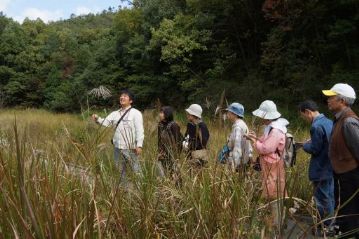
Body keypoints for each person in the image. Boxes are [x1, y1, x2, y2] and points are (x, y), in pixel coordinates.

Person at [322, 83, 359, 238]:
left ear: (342, 101)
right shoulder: (339, 119)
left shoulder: (349, 122)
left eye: (331, 97)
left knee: (351, 212)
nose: (328, 100)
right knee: (344, 209)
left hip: (351, 176)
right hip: (344, 175)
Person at [247, 100, 288, 229]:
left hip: (273, 164)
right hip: (270, 163)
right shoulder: (271, 128)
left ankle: (276, 223)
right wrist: (255, 138)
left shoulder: (276, 130)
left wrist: (253, 141)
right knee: (272, 190)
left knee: (273, 192)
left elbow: (265, 148)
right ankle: (275, 220)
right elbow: (265, 143)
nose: (261, 118)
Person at [92, 89, 144, 185]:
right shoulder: (115, 113)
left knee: (136, 170)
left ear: (131, 101)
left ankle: (141, 190)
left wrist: (139, 145)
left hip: (130, 148)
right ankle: (124, 188)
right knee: (120, 170)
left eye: (125, 96)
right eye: (121, 96)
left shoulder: (136, 113)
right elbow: (106, 123)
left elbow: (139, 130)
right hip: (117, 147)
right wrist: (97, 119)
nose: (122, 97)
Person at [298, 100, 334, 235]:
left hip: (320, 168)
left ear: (308, 112)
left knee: (322, 198)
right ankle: (328, 224)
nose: (304, 119)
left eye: (303, 115)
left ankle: (325, 226)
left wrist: (304, 145)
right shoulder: (329, 122)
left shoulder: (316, 126)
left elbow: (315, 149)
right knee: (330, 196)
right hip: (330, 166)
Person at [224, 103, 252, 171]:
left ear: (234, 114)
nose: (227, 114)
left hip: (239, 162)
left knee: (236, 181)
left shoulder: (238, 127)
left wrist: (234, 165)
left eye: (229, 112)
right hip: (245, 159)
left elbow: (237, 147)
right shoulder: (241, 124)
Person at [157, 106, 182, 181]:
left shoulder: (174, 125)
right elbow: (159, 140)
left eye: (162, 112)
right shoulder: (160, 125)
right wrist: (159, 151)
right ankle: (166, 189)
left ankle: (177, 190)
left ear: (167, 114)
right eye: (160, 112)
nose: (160, 114)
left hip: (173, 154)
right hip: (163, 153)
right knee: (164, 173)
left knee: (175, 174)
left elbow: (178, 141)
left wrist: (176, 156)